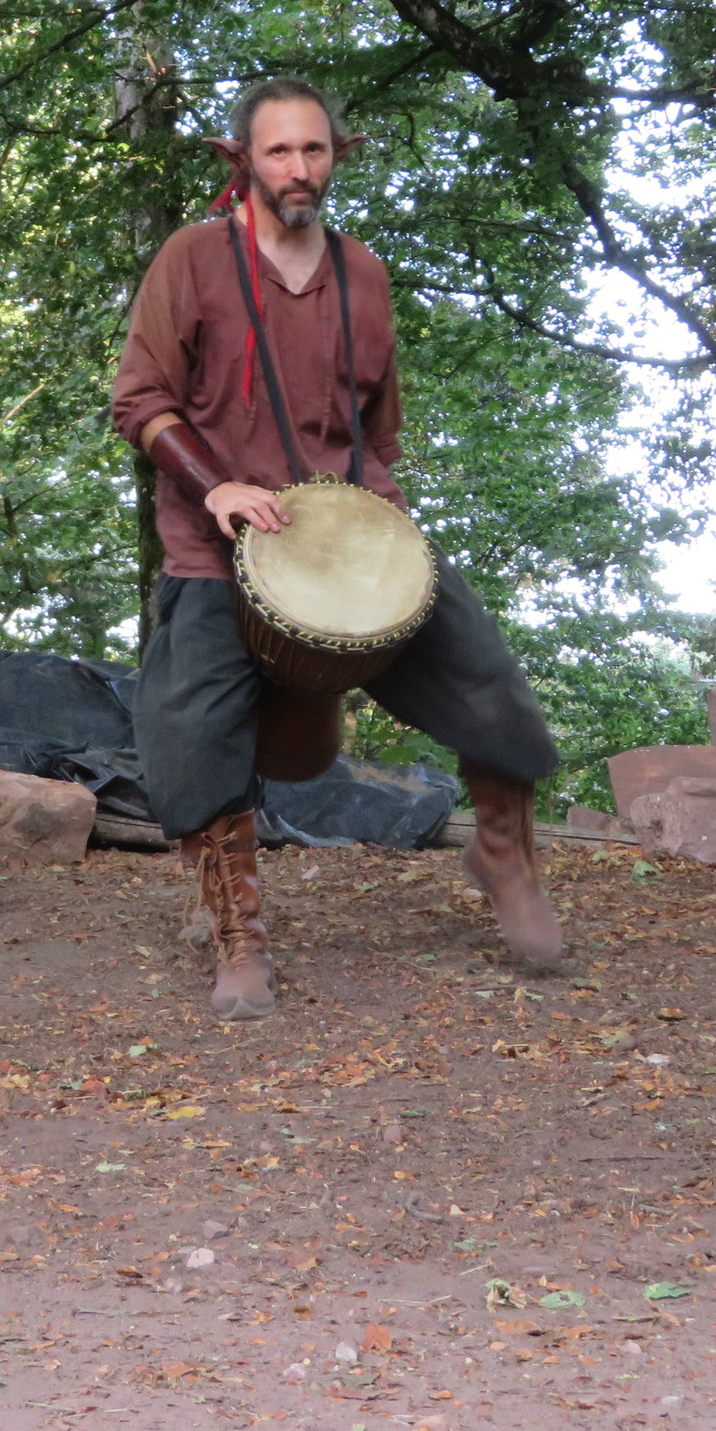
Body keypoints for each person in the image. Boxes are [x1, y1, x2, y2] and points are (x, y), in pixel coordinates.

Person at [110, 78, 565, 1021]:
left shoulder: (363, 274)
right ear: (242, 160)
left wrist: (371, 531)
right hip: (216, 537)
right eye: (278, 150)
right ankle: (236, 928)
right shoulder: (192, 258)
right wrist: (217, 486)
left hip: (347, 533)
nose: (298, 168)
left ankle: (502, 855)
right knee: (192, 732)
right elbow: (141, 401)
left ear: (337, 158)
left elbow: (377, 427)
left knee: (488, 681)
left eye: (313, 149)